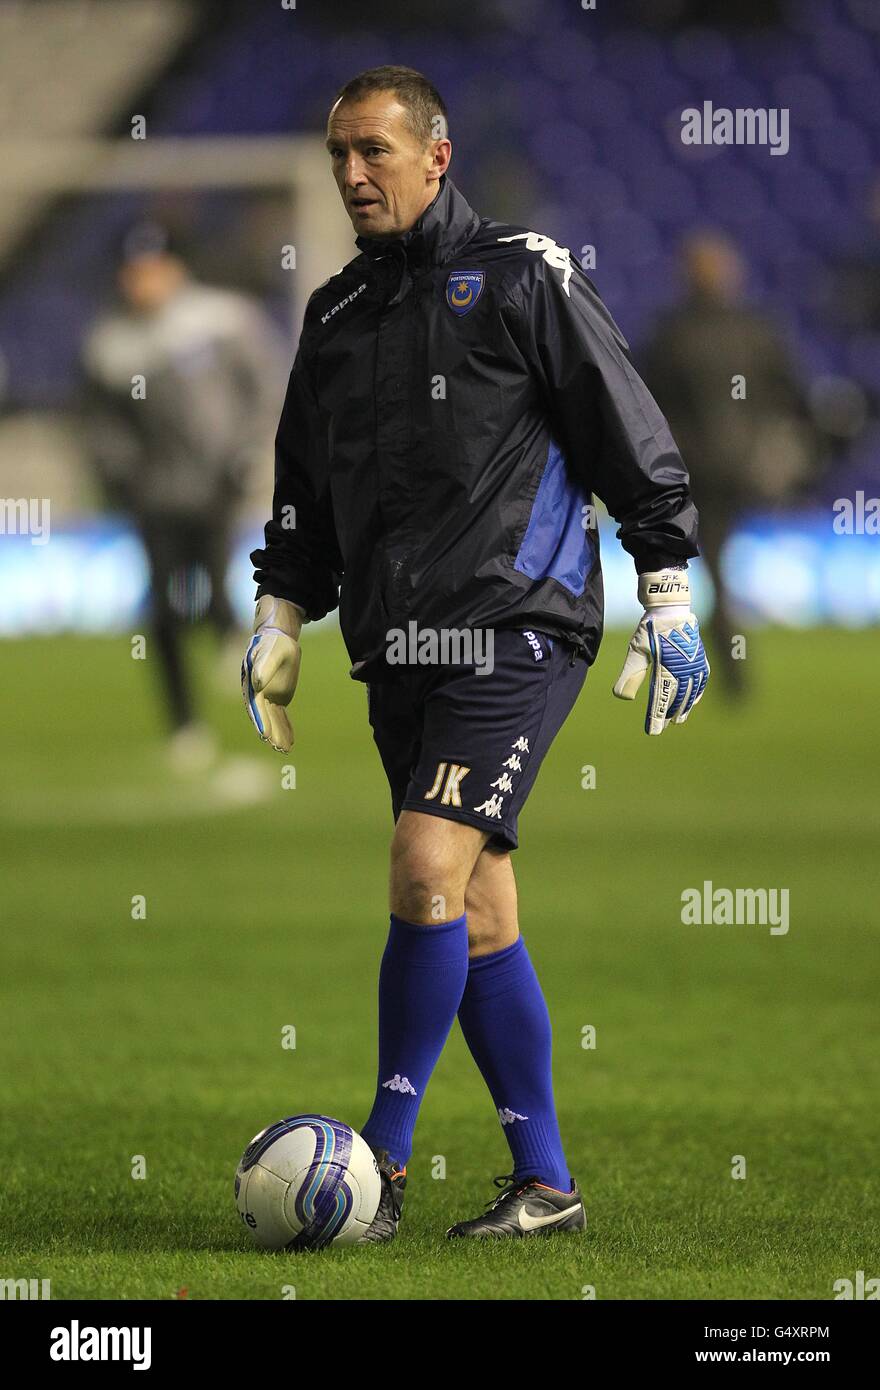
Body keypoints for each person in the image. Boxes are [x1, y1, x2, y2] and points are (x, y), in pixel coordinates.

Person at [243, 66, 709, 1243]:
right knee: (477, 904)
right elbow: (302, 490)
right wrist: (281, 618)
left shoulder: (519, 275)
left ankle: (373, 1172)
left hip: (517, 624)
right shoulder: (337, 317)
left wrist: (665, 590)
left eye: (374, 152)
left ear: (436, 155)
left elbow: (623, 424)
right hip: (392, 648)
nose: (351, 173)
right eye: (338, 153)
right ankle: (543, 1184)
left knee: (422, 859)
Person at [82, 221, 285, 768]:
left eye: (151, 269)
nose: (142, 282)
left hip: (218, 482)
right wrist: (119, 474)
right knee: (164, 606)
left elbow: (263, 388)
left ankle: (226, 637)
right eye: (133, 272)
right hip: (154, 494)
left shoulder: (223, 320)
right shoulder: (110, 343)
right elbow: (100, 424)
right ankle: (184, 723)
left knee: (212, 572)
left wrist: (247, 452)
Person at [641, 231, 813, 694]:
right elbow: (790, 395)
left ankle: (721, 647)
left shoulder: (671, 334)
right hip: (748, 464)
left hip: (697, 466)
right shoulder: (756, 329)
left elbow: (648, 404)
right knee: (714, 556)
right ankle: (726, 644)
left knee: (708, 557)